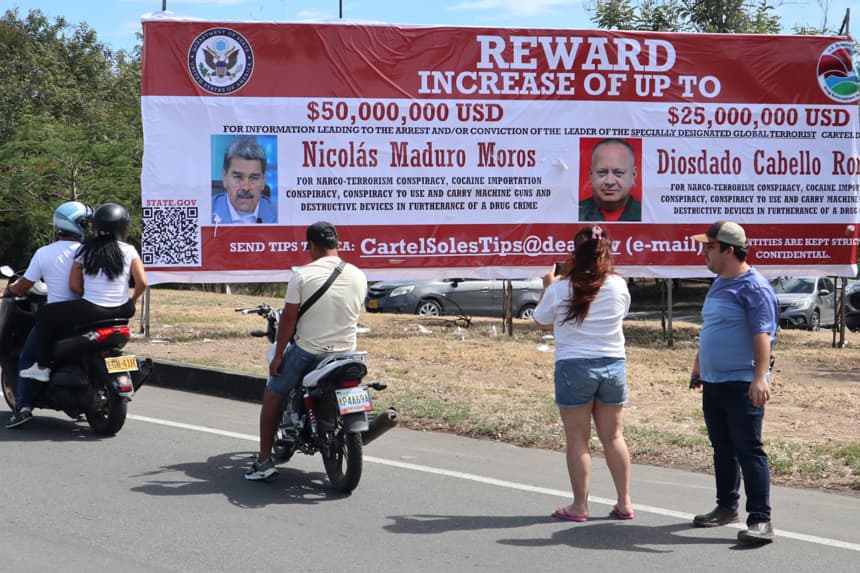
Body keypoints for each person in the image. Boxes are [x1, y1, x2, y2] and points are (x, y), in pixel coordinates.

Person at [245, 221, 367, 480]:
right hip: (347, 352)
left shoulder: (302, 274)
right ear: (337, 244)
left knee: (272, 395)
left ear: (311, 245)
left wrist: (278, 356)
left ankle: (264, 462)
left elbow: (289, 319)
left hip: (309, 353)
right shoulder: (358, 274)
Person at [533, 225, 633, 522]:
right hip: (613, 364)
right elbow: (621, 314)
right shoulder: (618, 285)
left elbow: (539, 319)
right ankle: (624, 502)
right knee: (614, 436)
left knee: (578, 439)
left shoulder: (561, 287)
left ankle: (580, 506)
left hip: (574, 366)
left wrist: (548, 284)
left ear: (575, 252)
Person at [689, 221, 778, 544]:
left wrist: (759, 377)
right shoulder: (720, 283)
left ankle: (761, 520)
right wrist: (699, 366)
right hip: (714, 382)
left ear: (729, 249)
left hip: (742, 383)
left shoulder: (753, 287)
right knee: (722, 448)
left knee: (749, 449)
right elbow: (711, 327)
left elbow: (762, 334)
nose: (704, 253)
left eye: (710, 247)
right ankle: (726, 507)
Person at [20, 203, 148, 382]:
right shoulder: (129, 250)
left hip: (92, 309)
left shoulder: (85, 249)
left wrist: (89, 293)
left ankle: (42, 366)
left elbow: (74, 286)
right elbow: (142, 282)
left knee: (44, 314)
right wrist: (132, 301)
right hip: (123, 311)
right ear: (124, 226)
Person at [4, 201, 91, 429]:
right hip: (91, 314)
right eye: (85, 223)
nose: (88, 227)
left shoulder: (44, 253)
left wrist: (10, 288)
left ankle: (23, 407)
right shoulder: (90, 250)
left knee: (26, 357)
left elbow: (24, 286)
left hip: (58, 319)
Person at [211, 138, 277, 224]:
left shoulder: (279, 214)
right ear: (224, 177)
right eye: (238, 177)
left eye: (254, 178)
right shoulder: (204, 211)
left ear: (263, 180)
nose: (246, 187)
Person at [579, 138, 641, 222]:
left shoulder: (648, 214)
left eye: (618, 173)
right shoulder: (575, 212)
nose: (609, 181)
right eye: (602, 172)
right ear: (591, 174)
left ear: (633, 174)